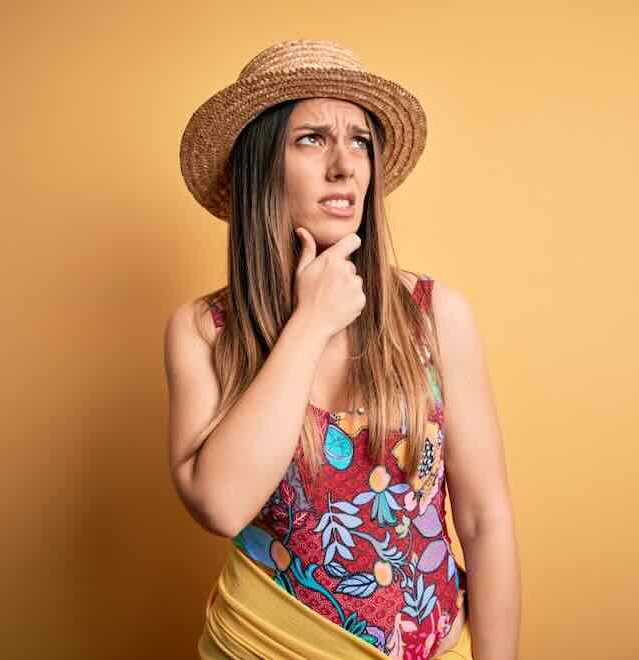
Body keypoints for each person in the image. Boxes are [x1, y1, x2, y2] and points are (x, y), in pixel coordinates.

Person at [166, 39, 521, 659]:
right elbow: (219, 504)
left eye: (359, 140)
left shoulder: (436, 315)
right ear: (259, 166)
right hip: (262, 645)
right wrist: (310, 324)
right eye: (311, 139)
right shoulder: (203, 330)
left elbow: (486, 521)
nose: (345, 165)